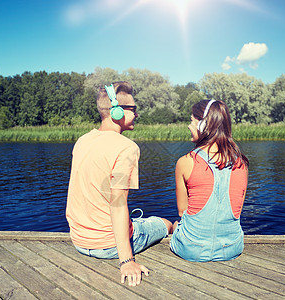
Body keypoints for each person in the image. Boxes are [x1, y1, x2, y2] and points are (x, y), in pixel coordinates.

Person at [65, 81, 173, 286]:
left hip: (79, 241)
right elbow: (118, 203)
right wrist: (127, 261)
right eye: (134, 109)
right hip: (108, 246)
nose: (137, 114)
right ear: (117, 111)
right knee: (163, 223)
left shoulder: (82, 141)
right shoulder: (126, 148)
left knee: (136, 221)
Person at [170, 99, 249, 262]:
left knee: (176, 224)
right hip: (232, 248)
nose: (189, 126)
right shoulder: (242, 163)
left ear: (203, 125)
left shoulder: (185, 162)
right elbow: (237, 210)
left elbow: (182, 212)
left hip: (192, 250)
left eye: (192, 121)